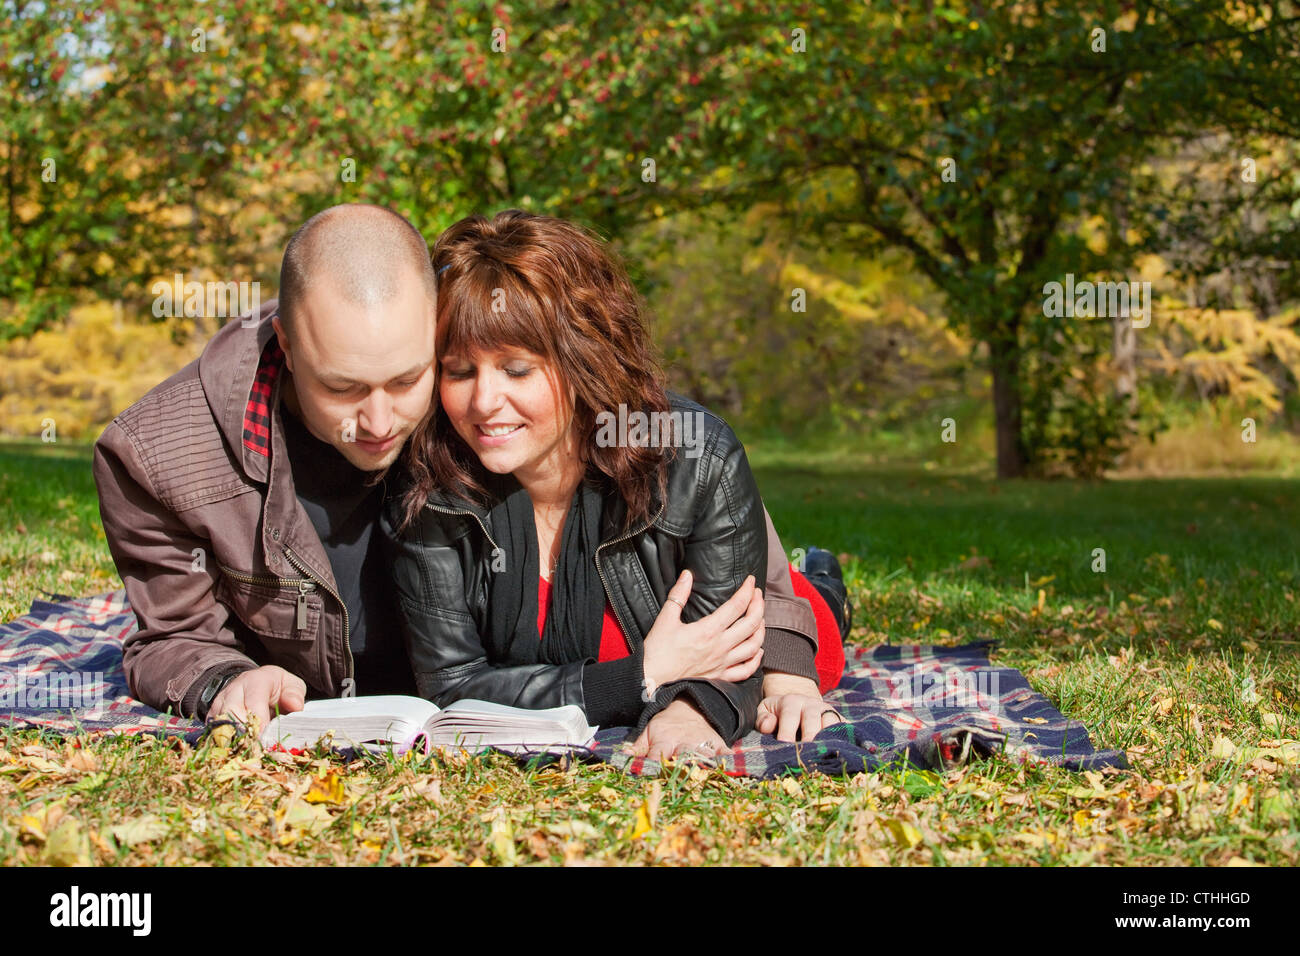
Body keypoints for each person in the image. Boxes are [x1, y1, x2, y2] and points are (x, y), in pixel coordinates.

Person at [93, 203, 834, 733]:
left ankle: (825, 580)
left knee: (797, 594)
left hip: (595, 630)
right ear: (287, 345)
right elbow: (169, 637)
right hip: (477, 671)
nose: (381, 423)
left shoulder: (474, 411)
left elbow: (724, 525)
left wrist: (789, 661)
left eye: (408, 378)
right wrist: (226, 678)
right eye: (344, 389)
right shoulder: (158, 457)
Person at [381, 210, 848, 760]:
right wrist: (642, 676)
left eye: (517, 369)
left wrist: (690, 711)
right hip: (649, 649)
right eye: (459, 372)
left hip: (766, 608)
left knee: (801, 607)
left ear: (583, 359)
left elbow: (730, 656)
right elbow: (454, 688)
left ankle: (822, 577)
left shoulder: (699, 458)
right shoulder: (428, 489)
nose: (483, 402)